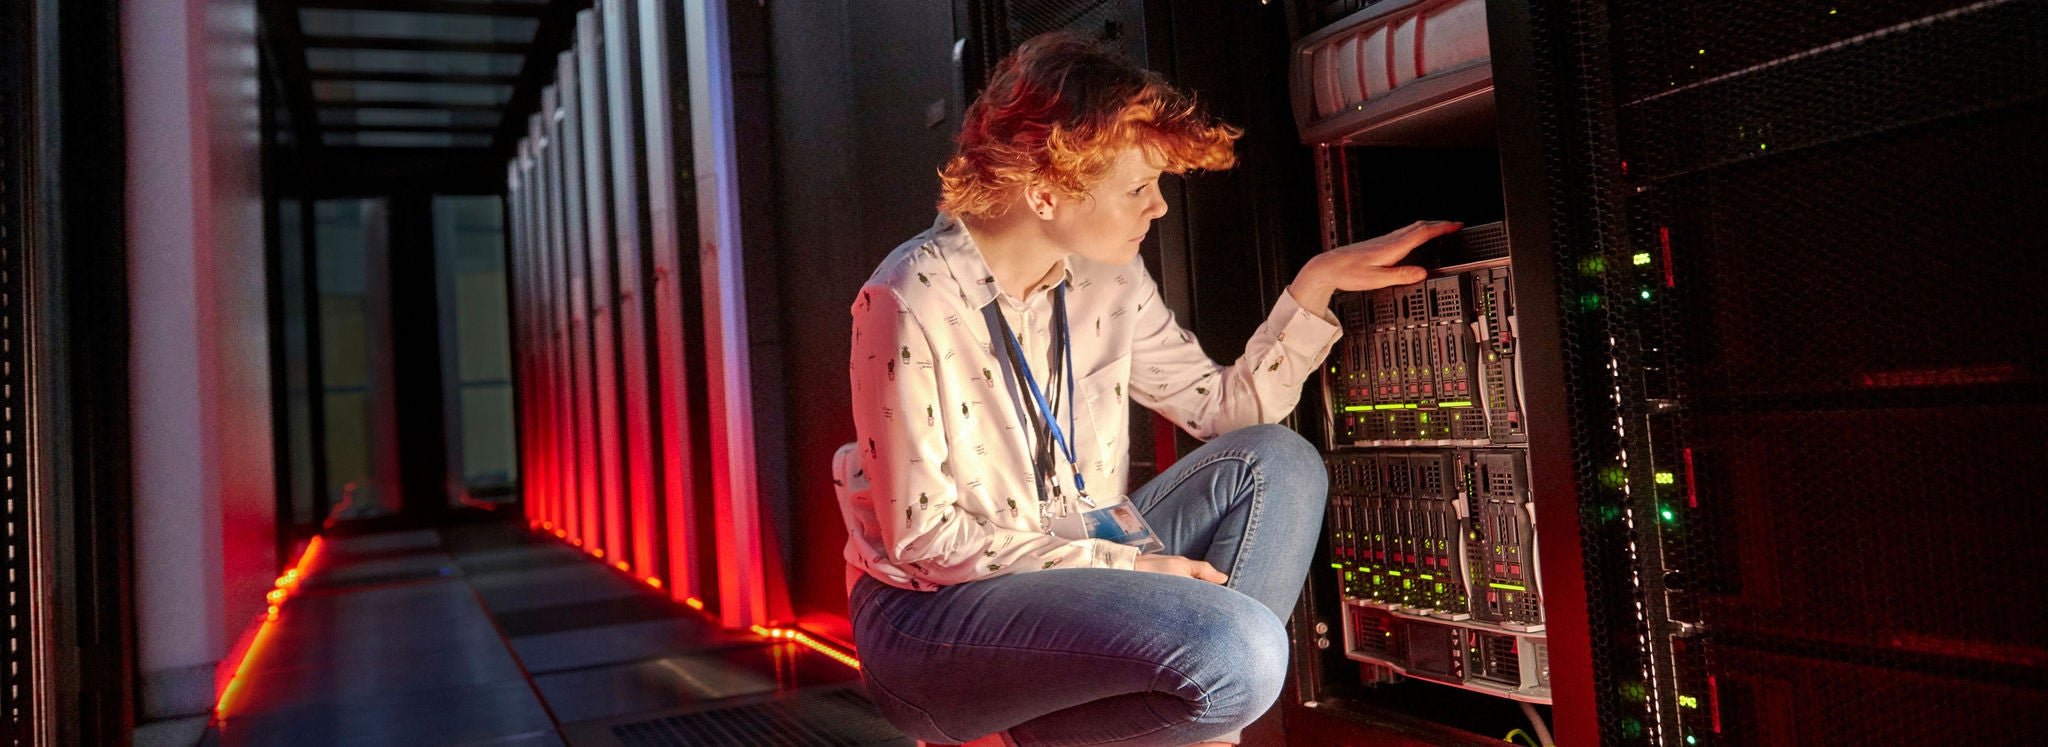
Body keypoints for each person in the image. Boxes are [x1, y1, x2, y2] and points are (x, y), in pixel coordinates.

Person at [838, 31, 1459, 747]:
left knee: (1279, 461)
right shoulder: (907, 295)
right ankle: (1105, 724)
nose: (1158, 207)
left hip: (1076, 564)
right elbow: (925, 540)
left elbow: (1224, 411)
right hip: (938, 617)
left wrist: (1312, 288)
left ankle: (1155, 728)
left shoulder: (1108, 275)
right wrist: (1127, 565)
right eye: (1138, 187)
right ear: (1044, 190)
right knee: (1243, 653)